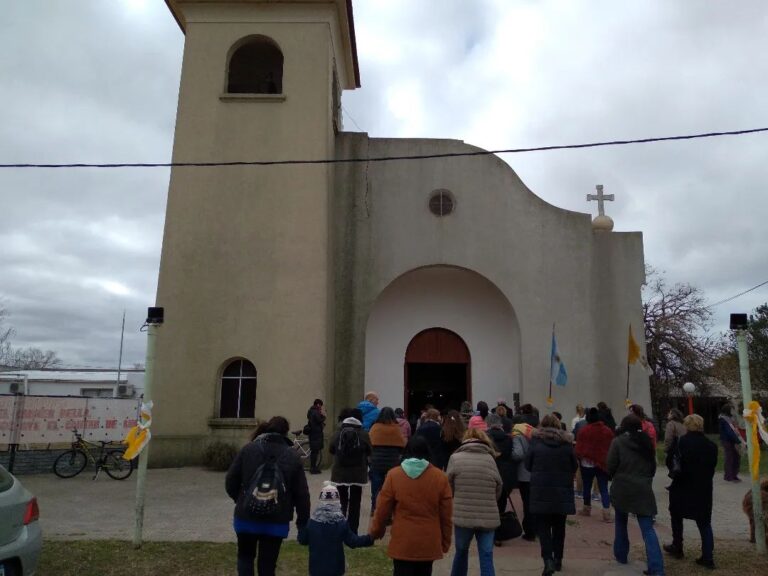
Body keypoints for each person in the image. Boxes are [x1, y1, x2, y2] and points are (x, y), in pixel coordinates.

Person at [225, 416, 311, 576]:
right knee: (267, 565)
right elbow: (302, 495)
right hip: (276, 520)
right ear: (286, 433)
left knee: (245, 557)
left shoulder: (248, 449)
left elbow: (230, 481)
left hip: (246, 517)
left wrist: (242, 499)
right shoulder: (292, 456)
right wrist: (303, 524)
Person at [370, 435, 453, 576]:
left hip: (403, 540)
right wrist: (445, 541)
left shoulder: (394, 475)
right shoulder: (440, 477)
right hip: (428, 540)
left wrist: (376, 531)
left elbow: (383, 508)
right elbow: (446, 515)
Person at [608, 414, 664, 576]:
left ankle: (621, 555)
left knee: (620, 521)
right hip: (642, 488)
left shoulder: (618, 442)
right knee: (647, 529)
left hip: (622, 487)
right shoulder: (646, 443)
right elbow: (652, 467)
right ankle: (657, 568)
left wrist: (614, 476)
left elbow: (611, 465)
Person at [525, 414, 578, 576]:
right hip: (561, 492)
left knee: (543, 529)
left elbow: (528, 465)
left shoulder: (535, 444)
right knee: (559, 528)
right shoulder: (567, 445)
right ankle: (558, 559)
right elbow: (574, 466)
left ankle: (547, 559)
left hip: (540, 491)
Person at [663, 414, 718, 569]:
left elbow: (670, 462)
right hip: (703, 488)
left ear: (686, 426)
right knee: (704, 523)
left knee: (676, 516)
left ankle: (677, 546)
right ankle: (708, 556)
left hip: (682, 485)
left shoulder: (681, 442)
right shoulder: (711, 446)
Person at [446, 428, 502, 576]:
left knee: (461, 552)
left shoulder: (455, 458)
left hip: (463, 514)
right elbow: (498, 486)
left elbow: (448, 486)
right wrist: (490, 500)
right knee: (486, 554)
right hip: (488, 513)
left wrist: (456, 498)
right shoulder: (490, 459)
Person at [298, 481, 373, 576]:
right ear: (337, 501)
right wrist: (369, 538)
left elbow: (302, 540)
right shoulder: (341, 523)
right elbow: (353, 541)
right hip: (336, 569)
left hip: (316, 569)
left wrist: (301, 527)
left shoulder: (312, 522)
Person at [329, 413, 371, 534]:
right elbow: (369, 450)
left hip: (340, 472)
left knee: (341, 501)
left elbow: (331, 449)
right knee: (355, 502)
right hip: (358, 473)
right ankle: (353, 531)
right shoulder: (363, 434)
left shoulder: (337, 433)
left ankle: (340, 528)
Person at [574, 407, 615, 522]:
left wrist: (580, 458)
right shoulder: (607, 431)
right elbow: (610, 447)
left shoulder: (584, 430)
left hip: (586, 463)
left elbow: (579, 448)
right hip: (602, 463)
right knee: (603, 488)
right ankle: (607, 513)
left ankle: (586, 509)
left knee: (587, 486)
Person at [369, 407, 406, 513]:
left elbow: (369, 444)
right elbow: (402, 445)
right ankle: (388, 511)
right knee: (391, 487)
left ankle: (375, 507)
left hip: (376, 461)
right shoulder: (396, 428)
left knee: (376, 487)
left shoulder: (375, 427)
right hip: (392, 462)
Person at [486, 413, 516, 521]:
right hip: (506, 472)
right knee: (502, 499)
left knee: (489, 499)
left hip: (489, 470)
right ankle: (500, 522)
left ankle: (490, 525)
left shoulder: (485, 437)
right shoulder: (508, 438)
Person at [511, 417, 536, 541]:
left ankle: (530, 531)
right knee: (534, 502)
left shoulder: (517, 435)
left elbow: (518, 454)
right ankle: (537, 529)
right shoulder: (532, 432)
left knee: (527, 503)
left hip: (524, 473)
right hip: (535, 472)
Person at [718, 403, 742, 482]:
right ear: (728, 410)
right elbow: (729, 432)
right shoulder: (724, 419)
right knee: (730, 458)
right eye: (732, 409)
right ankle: (729, 476)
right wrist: (737, 440)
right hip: (727, 441)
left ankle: (734, 475)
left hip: (733, 440)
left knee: (736, 457)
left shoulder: (731, 418)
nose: (733, 411)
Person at [663, 408, 686, 473]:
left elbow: (668, 438)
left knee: (675, 468)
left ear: (673, 415)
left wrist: (666, 449)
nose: (668, 414)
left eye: (669, 413)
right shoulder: (682, 424)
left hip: (674, 450)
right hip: (684, 449)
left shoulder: (671, 424)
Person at [306, 399, 326, 474]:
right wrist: (324, 416)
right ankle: (313, 468)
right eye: (320, 405)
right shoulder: (315, 412)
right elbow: (319, 420)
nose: (321, 407)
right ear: (318, 404)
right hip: (316, 434)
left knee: (314, 451)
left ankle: (313, 467)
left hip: (313, 434)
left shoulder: (311, 411)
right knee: (315, 452)